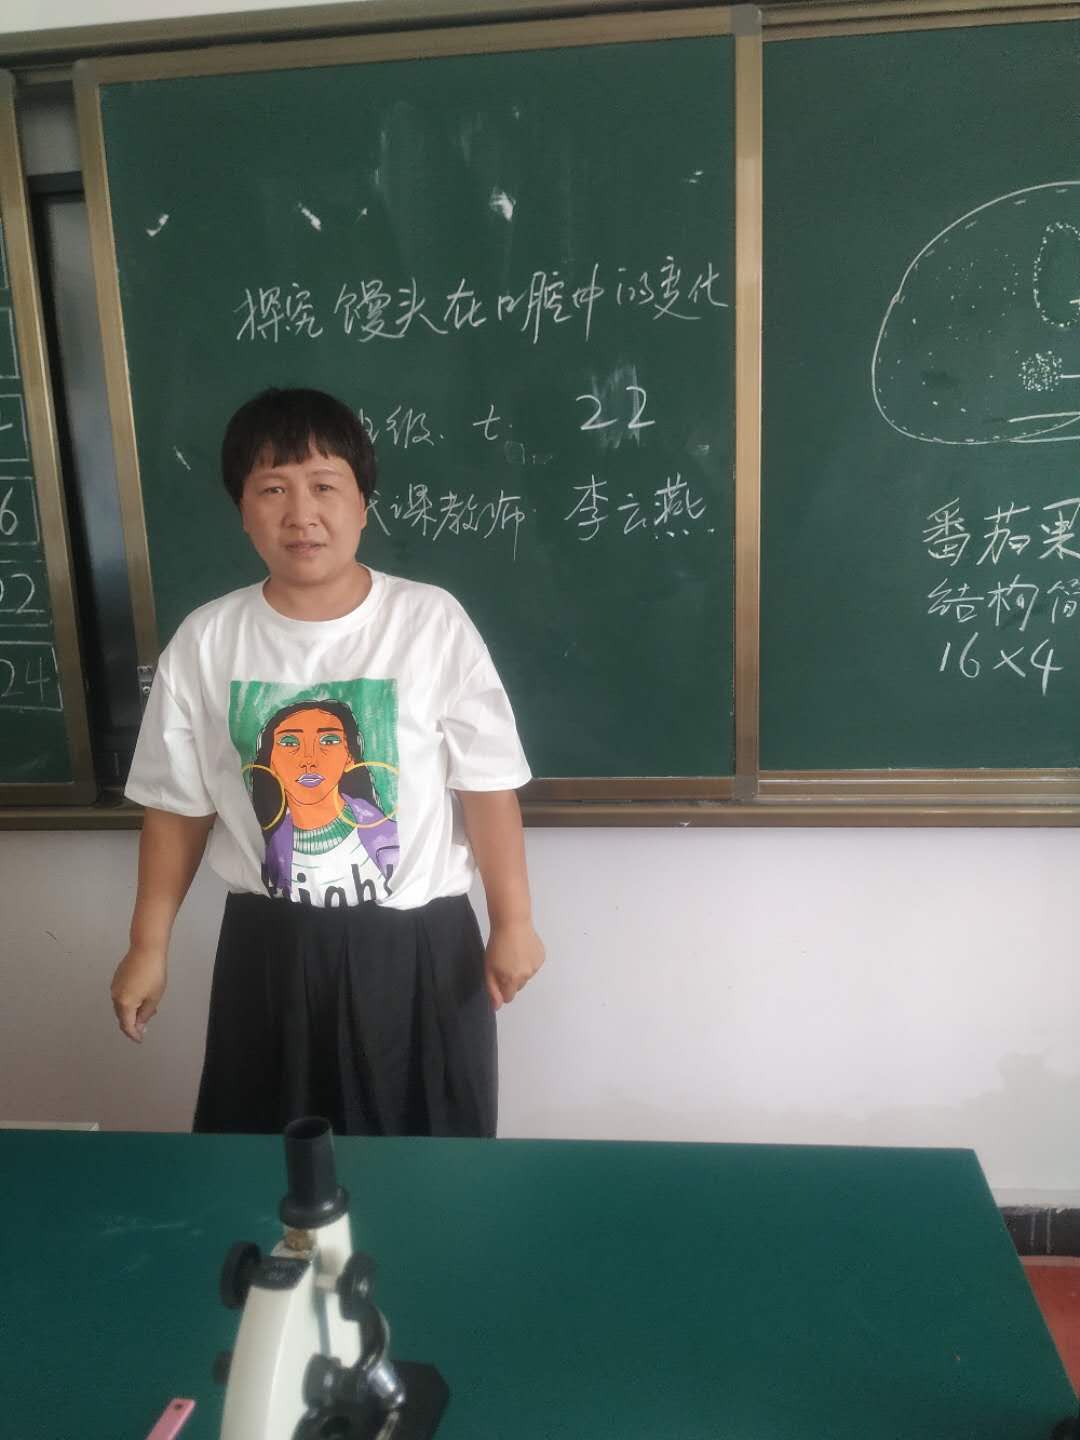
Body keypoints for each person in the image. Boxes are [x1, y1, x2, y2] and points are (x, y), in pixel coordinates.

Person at [110, 386, 544, 1137]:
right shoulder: (208, 640)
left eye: (323, 486)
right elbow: (178, 808)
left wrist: (514, 921)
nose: (300, 513)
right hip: (270, 949)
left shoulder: (430, 621)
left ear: (363, 503)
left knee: (431, 1156)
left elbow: (486, 787)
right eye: (272, 489)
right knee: (266, 1162)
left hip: (420, 947)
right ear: (243, 511)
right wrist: (147, 946)